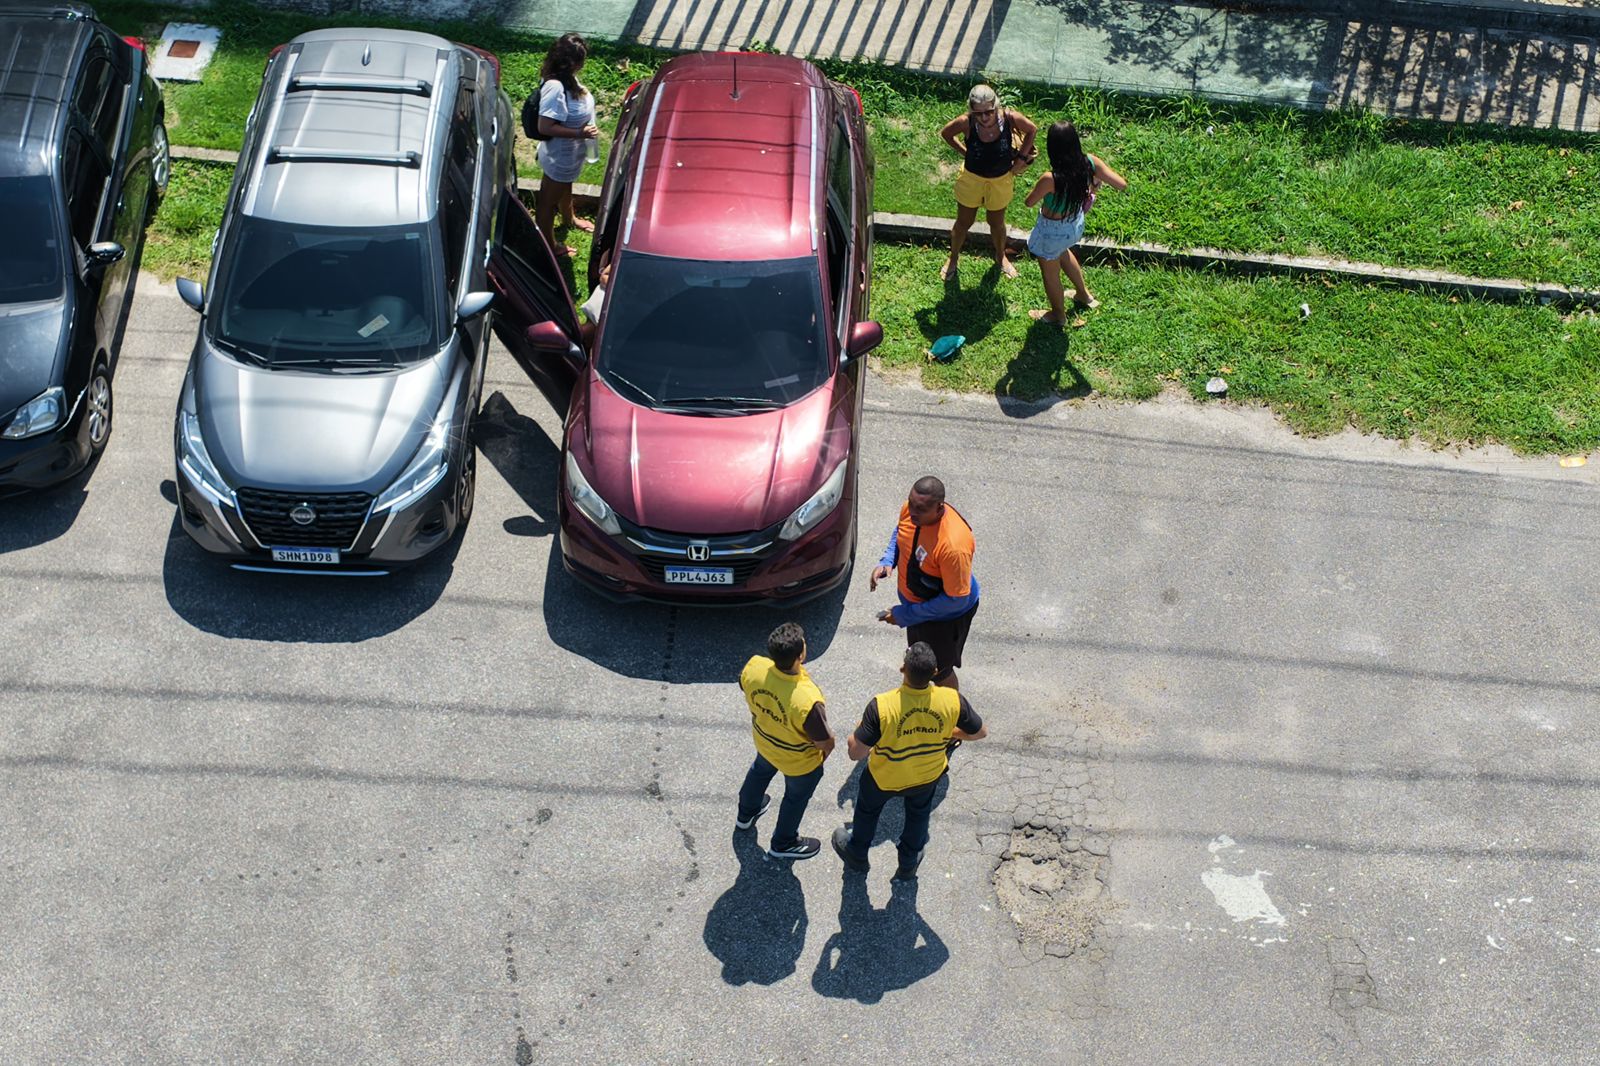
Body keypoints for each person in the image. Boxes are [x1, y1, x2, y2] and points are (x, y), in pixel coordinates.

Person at [831, 642, 987, 880]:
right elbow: (980, 733)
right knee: (918, 815)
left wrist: (855, 734)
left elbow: (856, 753)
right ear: (935, 673)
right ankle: (908, 864)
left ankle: (857, 854)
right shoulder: (952, 700)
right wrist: (951, 733)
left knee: (867, 811)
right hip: (927, 776)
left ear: (902, 668)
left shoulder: (882, 706)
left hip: (884, 778)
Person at [736, 622, 836, 860]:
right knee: (795, 798)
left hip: (765, 742)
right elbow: (824, 741)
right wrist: (823, 756)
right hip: (798, 762)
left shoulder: (754, 667)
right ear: (800, 655)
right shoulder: (806, 699)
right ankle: (784, 843)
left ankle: (745, 814)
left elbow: (744, 686)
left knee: (759, 772)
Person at [870, 476, 979, 691]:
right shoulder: (912, 512)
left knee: (939, 670)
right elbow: (900, 532)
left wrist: (904, 614)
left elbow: (956, 600)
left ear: (939, 508)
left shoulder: (953, 546)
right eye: (910, 504)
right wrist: (888, 560)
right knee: (918, 660)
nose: (912, 512)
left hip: (944, 617)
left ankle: (951, 714)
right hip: (918, 609)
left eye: (919, 509)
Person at [1023, 120, 1128, 323]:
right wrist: (1096, 182)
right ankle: (1084, 295)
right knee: (1063, 252)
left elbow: (1029, 202)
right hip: (1074, 224)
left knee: (1050, 274)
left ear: (1052, 149)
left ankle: (1058, 315)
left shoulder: (1050, 179)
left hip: (1051, 231)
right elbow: (1121, 184)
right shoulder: (1090, 162)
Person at [938, 84, 1037, 281]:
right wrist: (964, 152)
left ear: (996, 106)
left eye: (989, 112)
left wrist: (1022, 158)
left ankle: (1001, 257)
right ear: (971, 110)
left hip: (1000, 180)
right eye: (978, 113)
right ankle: (953, 257)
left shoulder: (1009, 119)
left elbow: (1032, 130)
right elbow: (946, 134)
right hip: (971, 179)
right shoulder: (966, 123)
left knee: (997, 223)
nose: (984, 117)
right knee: (964, 222)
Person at [532, 33, 600, 257]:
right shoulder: (555, 87)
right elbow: (545, 126)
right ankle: (549, 246)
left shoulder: (565, 77)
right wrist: (579, 132)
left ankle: (569, 218)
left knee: (565, 185)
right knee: (546, 204)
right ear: (573, 62)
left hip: (570, 155)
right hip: (559, 156)